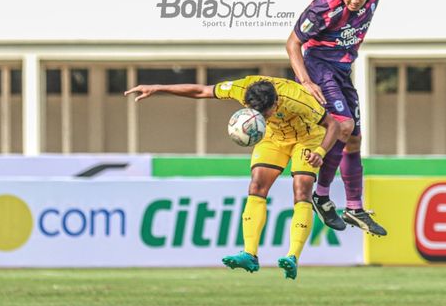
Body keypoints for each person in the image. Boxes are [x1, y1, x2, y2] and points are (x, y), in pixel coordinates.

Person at [124, 75, 339, 280]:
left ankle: (292, 256)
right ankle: (250, 254)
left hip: (307, 139)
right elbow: (201, 91)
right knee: (256, 186)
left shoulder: (297, 98)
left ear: (276, 104)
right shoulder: (241, 88)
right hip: (273, 138)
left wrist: (320, 152)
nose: (261, 119)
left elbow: (333, 125)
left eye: (265, 115)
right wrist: (158, 88)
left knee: (301, 189)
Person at [286, 0, 405, 236]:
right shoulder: (322, 7)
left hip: (342, 70)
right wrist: (305, 81)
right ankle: (322, 196)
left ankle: (354, 207)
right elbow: (292, 43)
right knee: (344, 124)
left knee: (354, 139)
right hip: (318, 65)